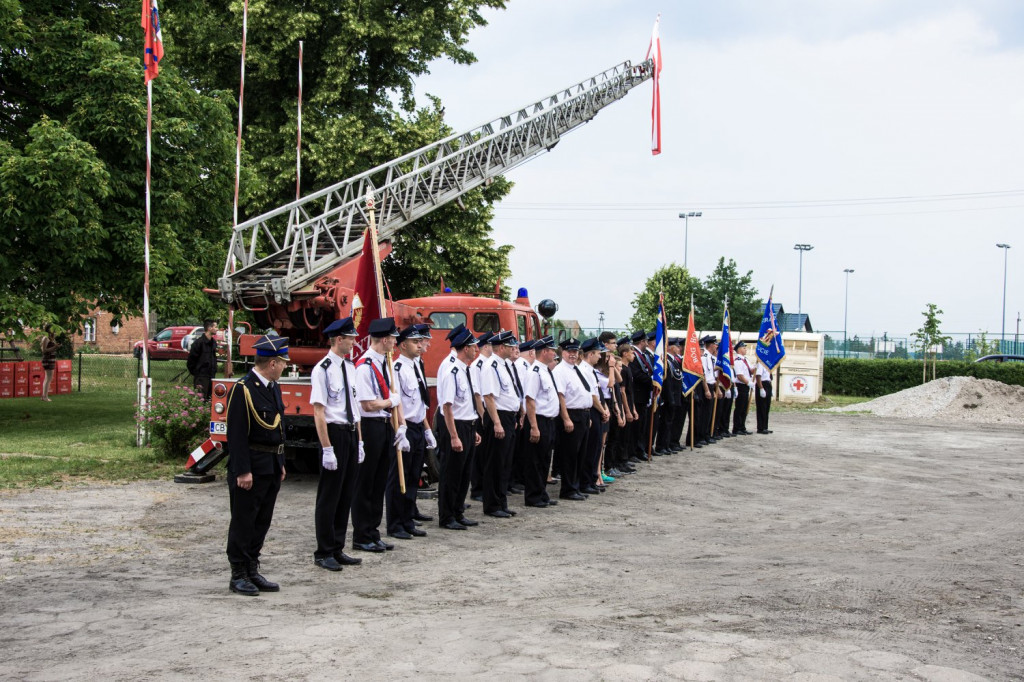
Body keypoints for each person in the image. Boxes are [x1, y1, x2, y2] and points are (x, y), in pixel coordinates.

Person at [224, 334, 289, 596]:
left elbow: (279, 427)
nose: (285, 366)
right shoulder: (243, 389)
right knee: (244, 520)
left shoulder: (272, 387)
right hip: (251, 466)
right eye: (283, 362)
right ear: (272, 363)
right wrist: (242, 470)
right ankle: (238, 572)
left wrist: (281, 461)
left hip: (271, 464)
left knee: (262, 520)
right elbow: (236, 435)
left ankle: (252, 567)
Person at [310, 318, 364, 571]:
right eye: (350, 338)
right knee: (330, 496)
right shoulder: (323, 368)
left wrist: (360, 441)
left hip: (351, 432)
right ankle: (324, 551)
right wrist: (327, 448)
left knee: (346, 494)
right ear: (338, 339)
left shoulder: (350, 367)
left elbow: (355, 407)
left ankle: (338, 547)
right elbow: (319, 411)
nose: (354, 342)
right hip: (334, 433)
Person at [352, 317, 410, 553]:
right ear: (385, 339)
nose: (396, 342)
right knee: (366, 483)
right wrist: (389, 401)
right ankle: (362, 535)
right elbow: (366, 404)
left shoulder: (384, 364)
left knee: (378, 483)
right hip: (370, 426)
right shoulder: (365, 366)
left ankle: (373, 532)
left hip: (384, 425)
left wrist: (401, 426)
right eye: (394, 338)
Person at [386, 325, 435, 539]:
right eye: (415, 342)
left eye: (419, 342)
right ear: (403, 345)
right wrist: (401, 429)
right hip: (403, 428)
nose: (420, 345)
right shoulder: (396, 368)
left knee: (414, 475)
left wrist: (427, 430)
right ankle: (395, 523)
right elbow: (397, 404)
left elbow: (421, 403)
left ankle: (408, 519)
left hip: (417, 426)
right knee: (399, 477)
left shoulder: (416, 366)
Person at [435, 328, 482, 530]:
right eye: (473, 347)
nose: (476, 350)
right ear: (465, 348)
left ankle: (458, 511)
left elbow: (465, 403)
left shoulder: (463, 367)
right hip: (455, 425)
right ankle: (447, 516)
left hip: (467, 424)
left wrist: (474, 428)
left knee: (464, 474)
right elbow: (447, 406)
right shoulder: (451, 369)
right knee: (452, 473)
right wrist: (454, 436)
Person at [479, 331, 523, 518]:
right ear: (502, 347)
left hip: (508, 417)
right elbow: (488, 397)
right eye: (510, 345)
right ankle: (492, 505)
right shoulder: (491, 366)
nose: (514, 348)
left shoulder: (505, 365)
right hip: (498, 416)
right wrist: (497, 423)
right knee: (495, 462)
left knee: (505, 463)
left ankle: (501, 501)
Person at [551, 338, 596, 501]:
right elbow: (560, 396)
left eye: (575, 351)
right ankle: (568, 489)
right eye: (569, 351)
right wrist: (566, 418)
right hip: (571, 414)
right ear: (562, 352)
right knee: (569, 455)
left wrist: (587, 415)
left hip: (583, 414)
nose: (572, 354)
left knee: (580, 454)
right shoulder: (560, 370)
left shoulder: (576, 369)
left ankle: (575, 486)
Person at [522, 336, 559, 508]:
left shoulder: (545, 370)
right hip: (539, 420)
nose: (554, 353)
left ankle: (542, 493)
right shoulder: (534, 372)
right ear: (544, 351)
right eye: (552, 350)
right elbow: (530, 400)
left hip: (549, 421)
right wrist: (534, 426)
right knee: (535, 461)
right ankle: (533, 496)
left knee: (545, 460)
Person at [578, 337, 610, 493]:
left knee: (597, 446)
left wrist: (604, 409)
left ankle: (591, 479)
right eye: (598, 353)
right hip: (592, 411)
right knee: (590, 448)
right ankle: (586, 481)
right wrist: (603, 410)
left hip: (597, 411)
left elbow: (598, 392)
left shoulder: (590, 370)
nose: (600, 357)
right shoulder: (584, 370)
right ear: (590, 354)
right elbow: (592, 395)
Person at [187, 319, 219, 401]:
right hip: (201, 376)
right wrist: (197, 372)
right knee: (200, 399)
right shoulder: (198, 343)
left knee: (210, 399)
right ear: (209, 328)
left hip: (211, 376)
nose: (217, 329)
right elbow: (191, 361)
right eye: (215, 327)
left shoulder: (213, 343)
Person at [732, 340, 754, 435]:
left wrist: (757, 366)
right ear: (739, 349)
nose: (746, 349)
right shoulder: (738, 361)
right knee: (740, 407)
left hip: (746, 386)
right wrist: (748, 382)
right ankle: (737, 428)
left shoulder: (746, 360)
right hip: (741, 385)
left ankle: (742, 426)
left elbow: (751, 371)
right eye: (744, 348)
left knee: (745, 407)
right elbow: (740, 376)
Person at [755, 359, 774, 434]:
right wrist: (761, 388)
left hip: (767, 384)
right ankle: (760, 428)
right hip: (762, 385)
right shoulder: (761, 364)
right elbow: (758, 376)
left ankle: (765, 426)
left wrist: (770, 388)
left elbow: (769, 377)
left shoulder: (768, 364)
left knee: (766, 407)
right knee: (761, 407)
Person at [39, 325, 58, 402]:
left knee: (48, 378)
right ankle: (45, 397)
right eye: (52, 329)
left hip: (50, 359)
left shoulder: (50, 338)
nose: (53, 331)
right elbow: (44, 350)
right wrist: (55, 347)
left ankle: (44, 396)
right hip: (47, 359)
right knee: (48, 378)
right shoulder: (46, 338)